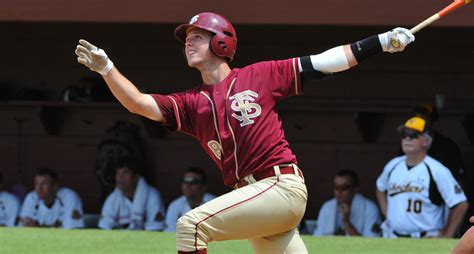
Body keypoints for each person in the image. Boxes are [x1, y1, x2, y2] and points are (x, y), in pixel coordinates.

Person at [75, 12, 414, 253]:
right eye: (187, 39)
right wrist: (107, 68)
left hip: (280, 186)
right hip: (255, 202)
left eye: (197, 36)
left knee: (190, 227)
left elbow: (323, 63)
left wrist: (381, 42)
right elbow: (138, 103)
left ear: (221, 42)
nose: (188, 42)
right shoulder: (194, 103)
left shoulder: (258, 75)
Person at [376, 116, 469, 238]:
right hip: (393, 236)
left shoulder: (437, 170)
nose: (407, 138)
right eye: (404, 135)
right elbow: (380, 188)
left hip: (424, 238)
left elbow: (461, 204)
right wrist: (388, 214)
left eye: (413, 135)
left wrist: (446, 235)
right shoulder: (392, 165)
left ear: (426, 140)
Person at [98, 156, 166, 230]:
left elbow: (156, 229)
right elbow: (104, 227)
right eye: (118, 173)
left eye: (125, 172)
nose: (120, 177)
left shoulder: (152, 196)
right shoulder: (112, 198)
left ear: (136, 177)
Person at [313, 169, 381, 237]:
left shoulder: (370, 209)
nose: (339, 191)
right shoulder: (327, 207)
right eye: (336, 187)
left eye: (344, 187)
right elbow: (317, 237)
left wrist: (346, 221)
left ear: (355, 189)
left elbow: (371, 244)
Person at [18, 168, 85, 228]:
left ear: (55, 186)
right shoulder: (32, 197)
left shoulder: (69, 197)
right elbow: (23, 227)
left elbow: (72, 230)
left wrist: (38, 227)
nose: (39, 188)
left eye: (44, 184)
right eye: (36, 183)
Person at [165, 167, 216, 232]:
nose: (188, 185)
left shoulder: (214, 204)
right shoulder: (175, 206)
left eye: (194, 182)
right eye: (185, 181)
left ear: (204, 186)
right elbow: (170, 233)